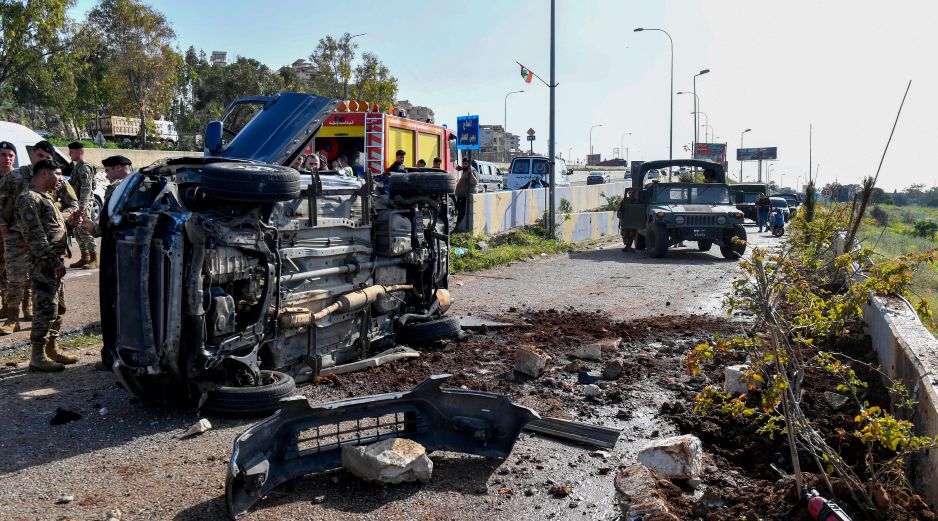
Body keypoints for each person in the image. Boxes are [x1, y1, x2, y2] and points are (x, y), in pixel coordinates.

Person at [19, 159, 81, 371]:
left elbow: (53, 229)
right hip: (43, 264)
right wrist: (52, 260)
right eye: (57, 174)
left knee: (58, 307)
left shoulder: (46, 198)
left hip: (53, 262)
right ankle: (37, 357)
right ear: (44, 174)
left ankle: (52, 349)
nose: (61, 180)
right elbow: (34, 236)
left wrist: (71, 223)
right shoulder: (29, 198)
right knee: (45, 309)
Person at [0, 140, 57, 334]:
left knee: (36, 276)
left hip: (41, 236)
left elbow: (67, 202)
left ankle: (30, 309)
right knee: (15, 277)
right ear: (32, 154)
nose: (43, 160)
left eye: (48, 158)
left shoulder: (53, 177)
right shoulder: (15, 176)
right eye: (40, 156)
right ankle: (12, 317)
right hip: (16, 234)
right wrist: (2, 224)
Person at [97, 155, 132, 371]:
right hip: (130, 258)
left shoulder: (119, 188)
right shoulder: (141, 185)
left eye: (109, 171)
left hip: (113, 253)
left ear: (119, 168)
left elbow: (104, 223)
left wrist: (91, 226)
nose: (108, 176)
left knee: (110, 304)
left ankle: (111, 356)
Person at [66, 142, 97, 269]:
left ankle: (94, 258)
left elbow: (86, 188)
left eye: (72, 152)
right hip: (77, 202)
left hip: (83, 202)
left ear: (80, 152)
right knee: (77, 231)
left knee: (85, 230)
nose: (69, 154)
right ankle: (85, 257)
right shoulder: (77, 166)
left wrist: (83, 206)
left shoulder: (85, 167)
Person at [0, 142, 16, 308]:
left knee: (14, 269)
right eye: (3, 155)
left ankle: (12, 305)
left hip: (14, 232)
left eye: (10, 155)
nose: (7, 158)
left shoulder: (19, 179)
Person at [454, 157, 477, 227]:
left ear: (469, 164)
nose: (464, 165)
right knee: (460, 211)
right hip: (461, 195)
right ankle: (459, 227)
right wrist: (460, 168)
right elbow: (463, 169)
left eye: (466, 164)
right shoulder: (466, 170)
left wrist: (470, 173)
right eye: (463, 164)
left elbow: (474, 182)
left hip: (465, 196)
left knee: (462, 213)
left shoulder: (471, 170)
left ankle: (459, 227)